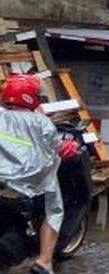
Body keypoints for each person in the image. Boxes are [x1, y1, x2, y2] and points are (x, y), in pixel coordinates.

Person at [0, 74, 66, 274]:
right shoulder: (41, 122)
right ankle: (45, 261)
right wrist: (67, 146)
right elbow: (57, 147)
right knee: (54, 209)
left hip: (3, 181)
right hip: (28, 184)